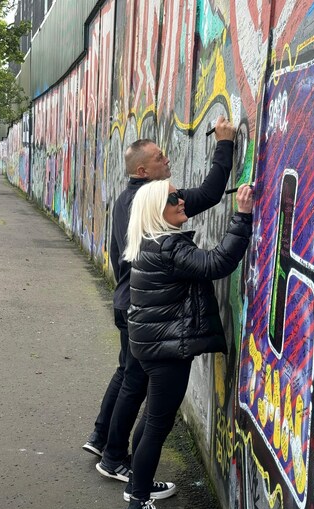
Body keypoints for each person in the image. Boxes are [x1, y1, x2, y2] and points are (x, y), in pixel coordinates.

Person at [82, 117, 237, 483]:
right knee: (136, 384)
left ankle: (102, 439)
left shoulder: (127, 199)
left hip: (131, 304)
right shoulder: (152, 201)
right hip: (142, 308)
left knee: (129, 374)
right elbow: (210, 194)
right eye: (159, 158)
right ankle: (117, 458)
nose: (167, 160)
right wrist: (226, 143)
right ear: (142, 169)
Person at [122, 180, 254, 509]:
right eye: (172, 198)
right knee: (157, 424)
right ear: (155, 210)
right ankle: (138, 505)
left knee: (152, 416)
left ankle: (139, 483)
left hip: (153, 345)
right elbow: (216, 263)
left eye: (178, 194)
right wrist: (242, 217)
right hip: (165, 350)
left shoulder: (152, 242)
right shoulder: (168, 247)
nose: (182, 200)